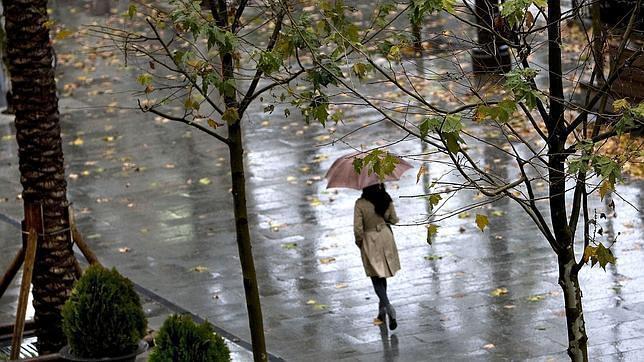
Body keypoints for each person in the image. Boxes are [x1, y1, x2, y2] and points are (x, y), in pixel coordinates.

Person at [354, 183, 400, 330]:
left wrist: (360, 243)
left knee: (376, 278)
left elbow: (358, 229)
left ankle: (388, 307)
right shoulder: (385, 197)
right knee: (382, 275)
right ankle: (381, 313)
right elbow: (393, 219)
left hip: (370, 240)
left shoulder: (360, 204)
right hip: (386, 237)